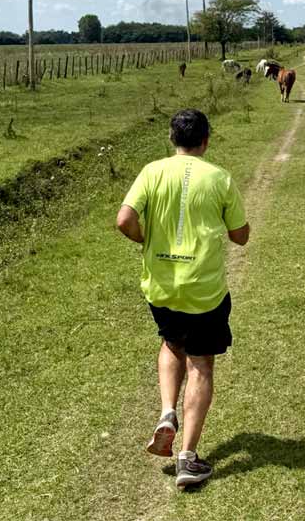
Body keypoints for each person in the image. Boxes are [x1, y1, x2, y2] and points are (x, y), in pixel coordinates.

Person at [116, 109, 250, 487]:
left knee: (171, 342)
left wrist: (148, 241)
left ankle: (165, 413)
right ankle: (188, 459)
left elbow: (124, 219)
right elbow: (240, 236)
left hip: (160, 285)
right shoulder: (219, 178)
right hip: (204, 290)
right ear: (206, 140)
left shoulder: (151, 171)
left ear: (171, 138)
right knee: (201, 364)